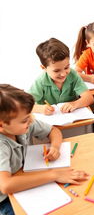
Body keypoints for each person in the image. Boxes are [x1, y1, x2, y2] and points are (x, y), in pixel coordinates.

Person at [0, 84, 88, 215]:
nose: (31, 121)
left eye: (30, 115)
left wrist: (55, 147)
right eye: (25, 120)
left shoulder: (24, 122)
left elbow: (53, 130)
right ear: (2, 125)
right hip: (5, 200)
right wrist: (55, 174)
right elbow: (6, 186)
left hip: (24, 176)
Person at [29, 38, 94, 115]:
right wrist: (40, 109)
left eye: (66, 67)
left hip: (72, 119)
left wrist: (74, 104)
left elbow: (89, 98)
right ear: (44, 68)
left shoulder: (73, 76)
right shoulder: (40, 81)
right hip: (50, 122)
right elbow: (24, 105)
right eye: (56, 71)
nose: (63, 74)